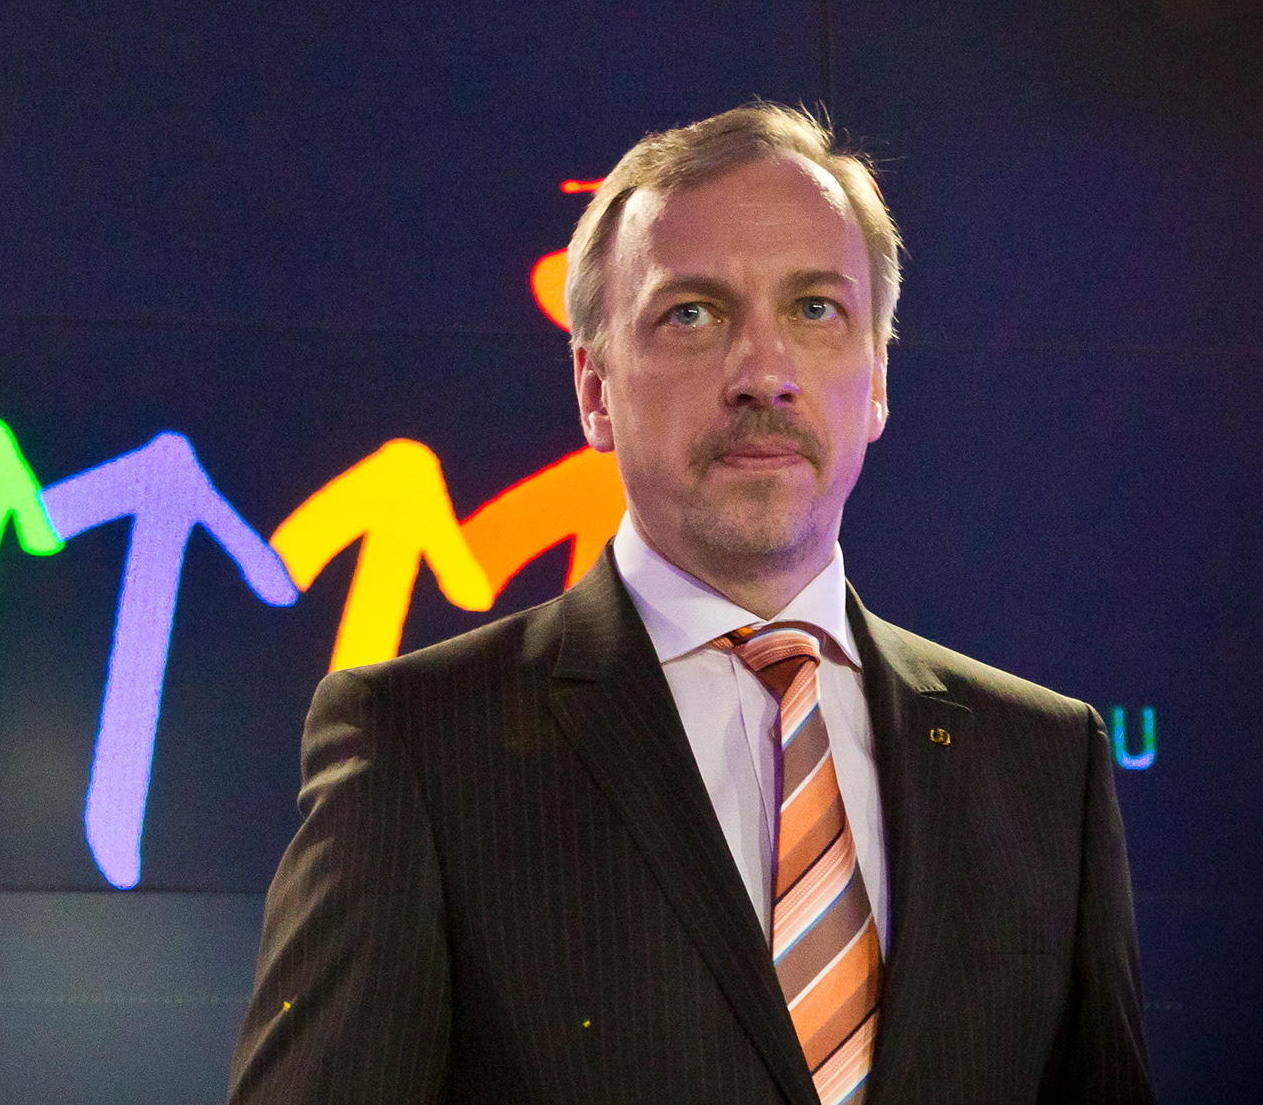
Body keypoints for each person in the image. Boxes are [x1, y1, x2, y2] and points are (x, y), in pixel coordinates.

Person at [229, 104, 1154, 1104]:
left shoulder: (1046, 762)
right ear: (595, 390)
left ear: (879, 378)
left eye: (814, 309)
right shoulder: (416, 748)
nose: (765, 375)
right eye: (693, 314)